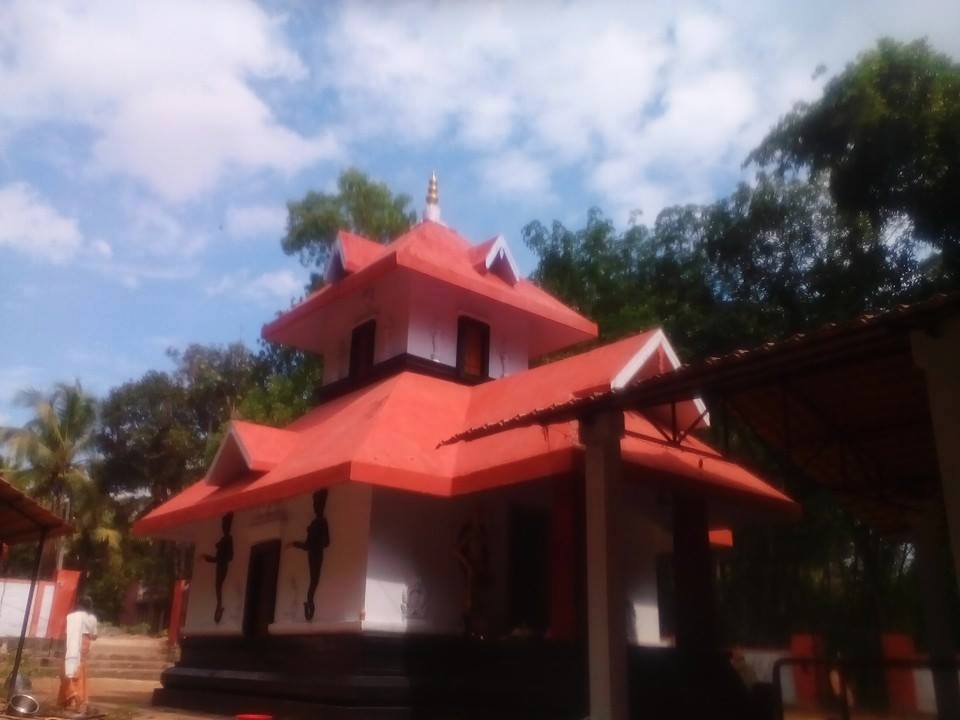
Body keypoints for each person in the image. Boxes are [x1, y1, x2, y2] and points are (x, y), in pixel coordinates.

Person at [287, 490, 330, 621]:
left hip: (315, 554)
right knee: (313, 580)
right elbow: (313, 544)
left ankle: (309, 602)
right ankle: (309, 602)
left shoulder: (320, 523)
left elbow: (325, 542)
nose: (317, 508)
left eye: (318, 505)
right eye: (316, 506)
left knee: (314, 580)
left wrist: (297, 544)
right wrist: (295, 544)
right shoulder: (316, 524)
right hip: (314, 554)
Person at [58, 595, 98, 712]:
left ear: (78, 604)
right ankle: (77, 698)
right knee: (80, 669)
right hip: (84, 643)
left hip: (71, 642)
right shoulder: (91, 618)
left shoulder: (70, 616)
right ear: (90, 606)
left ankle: (69, 696)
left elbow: (65, 633)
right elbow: (94, 635)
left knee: (68, 668)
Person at [202, 512, 234, 623]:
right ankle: (219, 605)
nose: (223, 528)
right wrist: (209, 558)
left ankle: (219, 606)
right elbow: (219, 558)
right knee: (217, 586)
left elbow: (229, 557)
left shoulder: (228, 539)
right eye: (223, 526)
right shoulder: (225, 539)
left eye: (225, 526)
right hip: (221, 565)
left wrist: (209, 558)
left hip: (222, 565)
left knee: (218, 586)